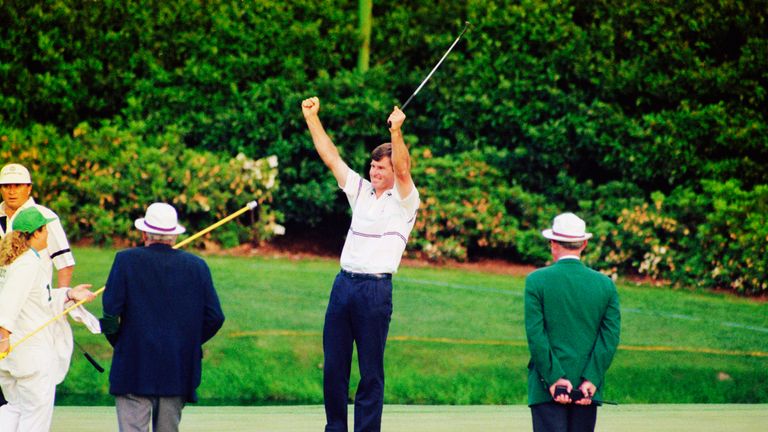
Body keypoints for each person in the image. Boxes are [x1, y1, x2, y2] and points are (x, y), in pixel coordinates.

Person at [301, 96, 420, 432]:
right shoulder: (361, 191)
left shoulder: (406, 200)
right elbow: (331, 156)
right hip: (344, 286)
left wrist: (397, 131)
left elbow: (404, 168)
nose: (373, 171)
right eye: (372, 166)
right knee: (334, 367)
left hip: (375, 289)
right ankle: (335, 428)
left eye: (380, 167)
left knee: (370, 371)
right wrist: (312, 118)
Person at [101, 202, 225, 432]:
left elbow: (109, 315)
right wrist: (187, 342)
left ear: (144, 232)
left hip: (132, 365)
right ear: (174, 236)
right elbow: (215, 317)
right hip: (177, 367)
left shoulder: (125, 260)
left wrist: (121, 343)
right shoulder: (197, 266)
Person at [0, 207, 96, 431]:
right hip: (29, 354)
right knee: (35, 417)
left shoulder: (11, 262)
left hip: (12, 357)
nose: (48, 235)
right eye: (45, 230)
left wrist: (69, 294)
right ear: (36, 233)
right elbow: (9, 305)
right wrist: (3, 338)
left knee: (14, 408)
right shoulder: (26, 263)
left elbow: (39, 298)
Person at [524, 212, 621, 432]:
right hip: (587, 390)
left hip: (545, 388)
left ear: (553, 243)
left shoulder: (536, 281)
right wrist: (591, 380)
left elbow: (537, 336)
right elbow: (609, 338)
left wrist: (554, 378)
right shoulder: (605, 285)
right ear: (584, 244)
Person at [0, 163, 76, 288]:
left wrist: (61, 300)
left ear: (29, 188)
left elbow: (65, 264)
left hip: (34, 299)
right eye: (6, 186)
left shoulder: (45, 217)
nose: (12, 191)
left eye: (18, 186)